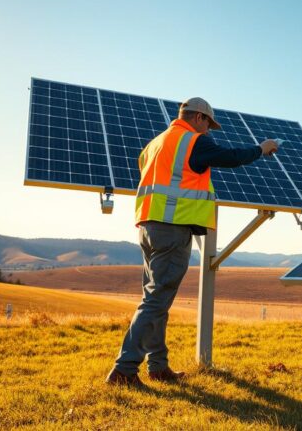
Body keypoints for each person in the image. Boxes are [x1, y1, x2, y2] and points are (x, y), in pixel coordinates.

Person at [106, 97, 279, 386]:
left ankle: (158, 366)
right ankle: (124, 370)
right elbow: (231, 157)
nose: (209, 131)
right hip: (172, 228)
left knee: (156, 299)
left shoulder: (155, 144)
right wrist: (261, 149)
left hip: (148, 226)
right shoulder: (191, 142)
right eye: (208, 124)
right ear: (198, 117)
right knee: (156, 301)